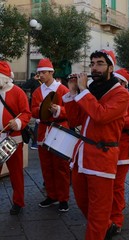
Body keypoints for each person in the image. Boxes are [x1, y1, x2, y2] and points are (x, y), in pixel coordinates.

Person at [62, 50, 129, 240]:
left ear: (110, 67)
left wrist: (83, 91)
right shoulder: (90, 91)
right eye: (92, 63)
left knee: (98, 212)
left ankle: (101, 229)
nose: (94, 68)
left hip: (102, 157)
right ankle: (106, 227)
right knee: (83, 203)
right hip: (82, 156)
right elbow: (75, 119)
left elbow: (100, 115)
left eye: (100, 63)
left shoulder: (121, 94)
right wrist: (73, 91)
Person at [31, 58, 70, 212]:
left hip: (59, 130)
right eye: (39, 72)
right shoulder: (36, 92)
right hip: (43, 131)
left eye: (43, 72)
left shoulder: (63, 90)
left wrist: (58, 110)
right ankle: (52, 195)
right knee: (46, 166)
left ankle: (63, 198)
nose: (40, 75)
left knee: (61, 166)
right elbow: (33, 110)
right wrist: (40, 109)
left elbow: (71, 112)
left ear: (51, 72)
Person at [106, 68, 129, 237]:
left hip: (123, 150)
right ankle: (105, 217)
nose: (117, 85)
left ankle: (117, 220)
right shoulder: (106, 97)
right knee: (106, 186)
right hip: (105, 148)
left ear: (125, 85)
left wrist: (114, 118)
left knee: (117, 186)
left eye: (121, 82)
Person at [0, 61, 32, 215]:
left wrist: (18, 122)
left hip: (13, 139)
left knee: (16, 173)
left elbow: (26, 113)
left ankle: (18, 202)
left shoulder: (17, 92)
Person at [22, 72, 42, 150]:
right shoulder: (35, 81)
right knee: (37, 123)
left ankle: (37, 142)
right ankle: (34, 143)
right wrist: (33, 79)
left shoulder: (48, 83)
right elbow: (24, 86)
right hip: (36, 104)